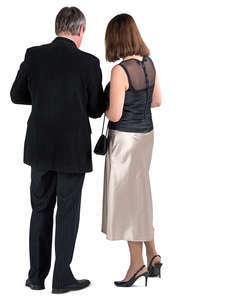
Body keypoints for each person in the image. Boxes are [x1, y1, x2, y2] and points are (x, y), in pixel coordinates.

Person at [10, 7, 105, 294]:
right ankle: (62, 278)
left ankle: (36, 276)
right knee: (67, 212)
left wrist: (42, 98)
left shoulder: (34, 54)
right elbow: (95, 109)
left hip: (39, 146)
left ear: (57, 27)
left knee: (40, 209)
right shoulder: (88, 62)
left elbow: (16, 95)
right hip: (73, 150)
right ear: (80, 30)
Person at [102, 13, 163, 287]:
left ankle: (136, 264)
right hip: (146, 136)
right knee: (141, 194)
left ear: (115, 38)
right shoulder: (149, 65)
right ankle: (153, 255)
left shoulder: (120, 71)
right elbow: (157, 101)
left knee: (128, 202)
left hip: (125, 141)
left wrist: (102, 107)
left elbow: (114, 114)